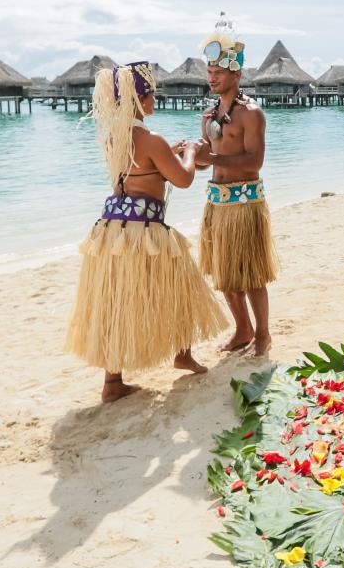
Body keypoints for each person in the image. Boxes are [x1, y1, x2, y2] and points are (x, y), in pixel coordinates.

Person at [65, 62, 228, 402]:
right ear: (141, 100)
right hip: (145, 232)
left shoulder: (115, 136)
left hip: (113, 229)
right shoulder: (151, 139)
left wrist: (171, 154)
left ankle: (113, 382)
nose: (156, 99)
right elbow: (182, 179)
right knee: (179, 286)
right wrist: (193, 153)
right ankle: (181, 353)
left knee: (118, 300)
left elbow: (140, 169)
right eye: (153, 94)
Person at [192, 20, 278, 357]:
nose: (212, 77)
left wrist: (210, 156)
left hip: (245, 203)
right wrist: (192, 157)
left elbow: (254, 162)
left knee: (252, 274)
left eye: (218, 72)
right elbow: (205, 163)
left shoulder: (250, 115)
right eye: (209, 71)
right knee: (225, 274)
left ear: (236, 76)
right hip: (217, 203)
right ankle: (243, 330)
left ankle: (263, 335)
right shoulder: (207, 116)